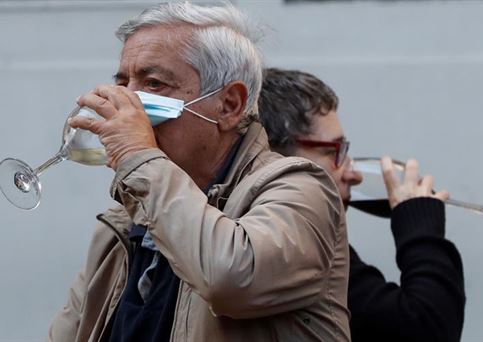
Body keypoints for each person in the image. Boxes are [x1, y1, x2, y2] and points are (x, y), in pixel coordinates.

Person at [49, 4, 351, 342]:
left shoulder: (299, 187)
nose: (127, 103)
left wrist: (138, 156)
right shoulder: (122, 223)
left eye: (153, 83)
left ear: (229, 105)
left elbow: (231, 279)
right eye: (122, 83)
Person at [258, 68, 466, 342]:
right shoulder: (297, 248)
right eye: (334, 152)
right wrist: (421, 235)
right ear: (276, 154)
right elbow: (427, 326)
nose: (353, 174)